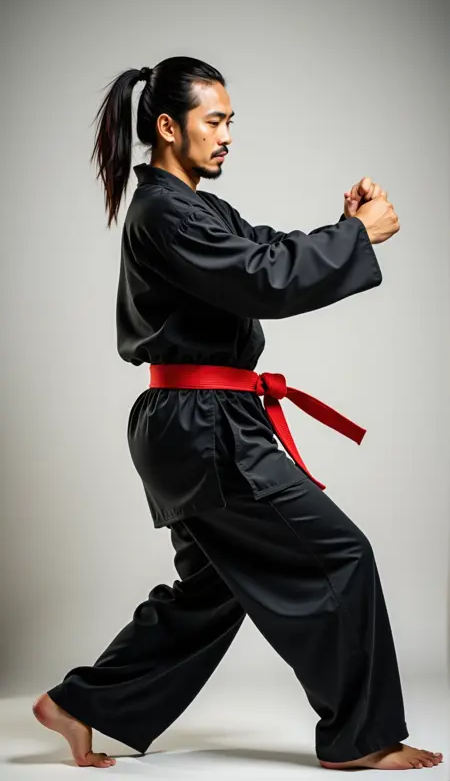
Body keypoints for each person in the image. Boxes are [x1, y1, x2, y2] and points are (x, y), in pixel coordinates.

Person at [32, 56, 443, 771]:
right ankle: (362, 740)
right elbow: (263, 280)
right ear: (169, 127)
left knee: (215, 589)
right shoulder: (163, 211)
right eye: (215, 121)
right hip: (203, 425)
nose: (227, 135)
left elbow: (265, 251)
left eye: (230, 122)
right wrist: (357, 238)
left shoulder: (196, 208)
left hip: (197, 421)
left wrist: (345, 225)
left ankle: (80, 703)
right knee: (342, 556)